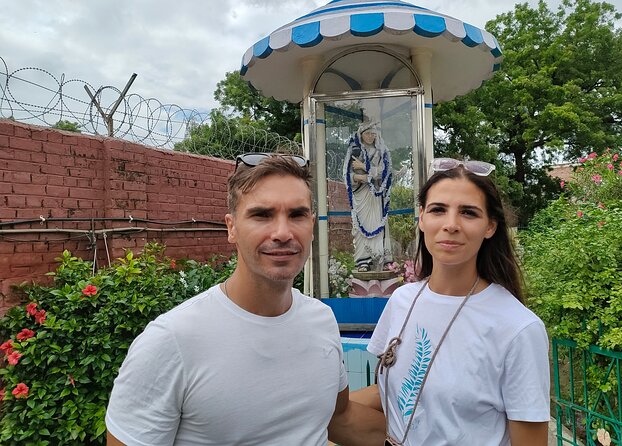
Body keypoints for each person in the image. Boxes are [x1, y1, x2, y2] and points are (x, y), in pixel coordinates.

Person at [106, 153, 385, 445]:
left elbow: (339, 419)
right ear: (231, 227)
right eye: (262, 215)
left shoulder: (321, 319)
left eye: (297, 215)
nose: (282, 233)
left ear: (311, 225)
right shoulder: (172, 340)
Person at [352, 158, 550, 445]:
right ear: (421, 218)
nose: (451, 225)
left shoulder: (518, 328)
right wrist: (319, 406)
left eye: (468, 213)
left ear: (490, 226)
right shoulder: (402, 300)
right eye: (438, 210)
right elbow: (395, 393)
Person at [343, 121, 394, 272]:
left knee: (378, 226)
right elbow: (346, 174)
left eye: (373, 133)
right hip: (361, 194)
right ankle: (362, 260)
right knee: (361, 228)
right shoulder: (354, 150)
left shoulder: (381, 151)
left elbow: (385, 172)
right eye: (367, 133)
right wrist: (360, 178)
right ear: (361, 134)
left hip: (376, 195)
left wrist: (365, 168)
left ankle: (379, 258)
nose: (371, 136)